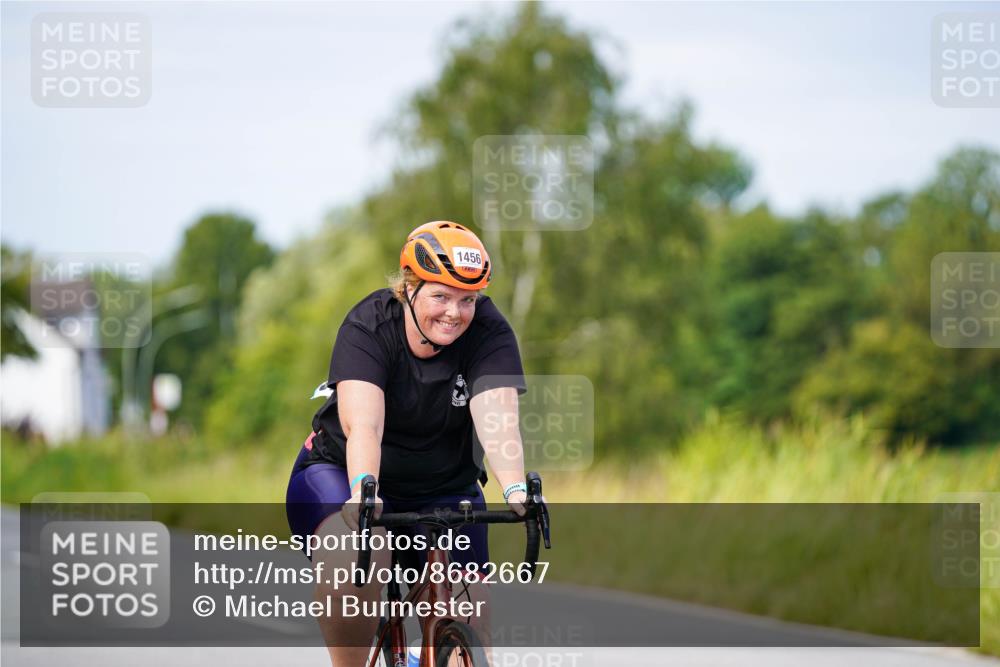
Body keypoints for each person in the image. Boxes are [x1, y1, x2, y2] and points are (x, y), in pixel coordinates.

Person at [285, 220, 528, 666]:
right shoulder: (370, 325)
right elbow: (365, 427)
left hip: (443, 485)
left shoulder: (489, 331)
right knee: (358, 557)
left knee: (471, 621)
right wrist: (364, 491)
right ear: (409, 287)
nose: (455, 313)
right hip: (341, 474)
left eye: (467, 299)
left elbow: (498, 421)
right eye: (441, 296)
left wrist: (516, 490)